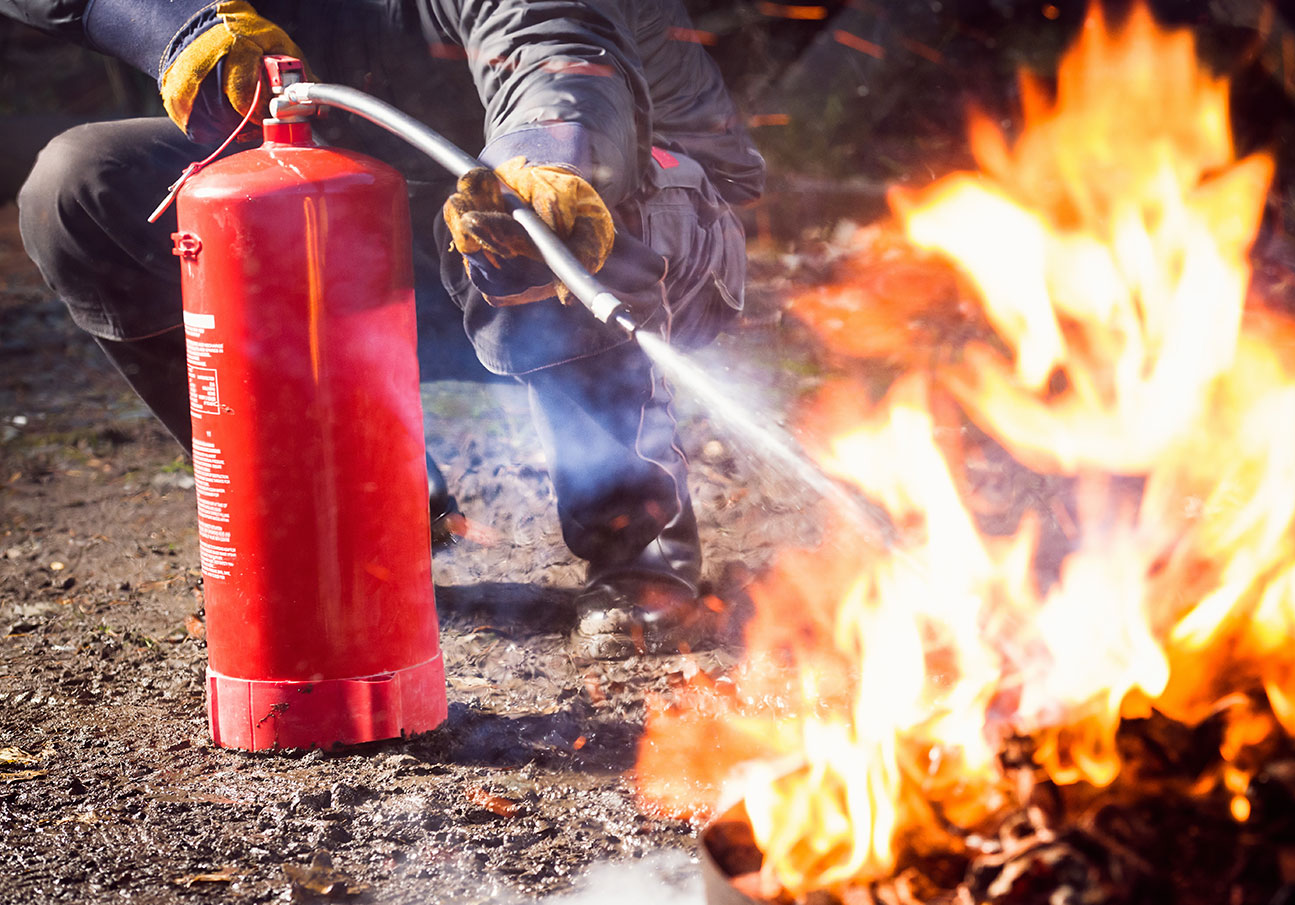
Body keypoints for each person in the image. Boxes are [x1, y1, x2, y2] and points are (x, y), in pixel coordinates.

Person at [4, 0, 765, 659]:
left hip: (643, 215)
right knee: (80, 185)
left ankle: (636, 549)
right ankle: (366, 516)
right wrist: (173, 24)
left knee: (535, 202)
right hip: (375, 221)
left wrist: (543, 158)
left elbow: (556, 53)